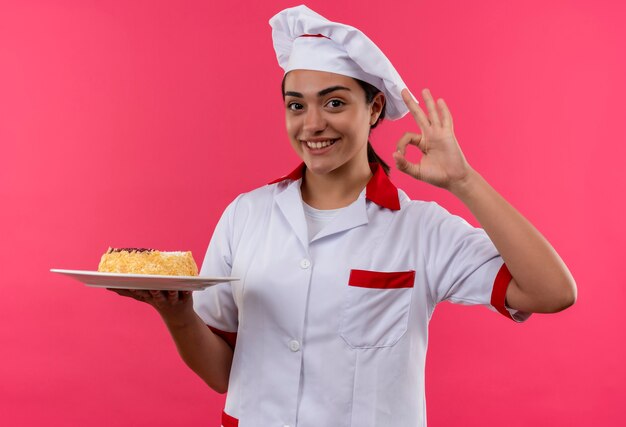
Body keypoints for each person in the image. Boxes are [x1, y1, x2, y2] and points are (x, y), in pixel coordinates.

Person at [109, 5, 576, 427]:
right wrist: (177, 314)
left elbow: (552, 292)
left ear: (373, 109)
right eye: (296, 105)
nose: (312, 124)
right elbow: (221, 375)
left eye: (334, 102)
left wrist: (464, 182)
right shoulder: (245, 216)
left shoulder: (422, 230)